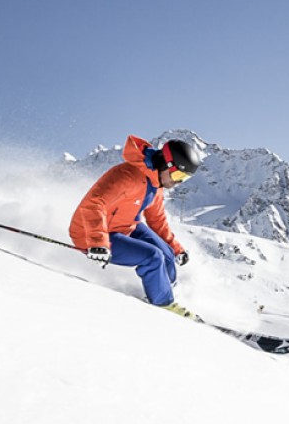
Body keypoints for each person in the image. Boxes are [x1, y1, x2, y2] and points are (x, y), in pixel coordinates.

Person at [69, 135, 205, 319]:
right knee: (153, 257)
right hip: (91, 234)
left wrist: (177, 249)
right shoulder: (127, 176)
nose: (177, 183)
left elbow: (157, 219)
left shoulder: (156, 183)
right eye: (177, 175)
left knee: (167, 255)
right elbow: (94, 204)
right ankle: (163, 305)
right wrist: (98, 242)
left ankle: (169, 293)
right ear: (165, 164)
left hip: (125, 226)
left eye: (184, 179)